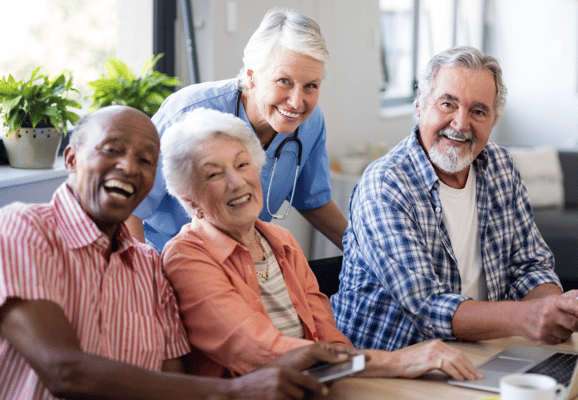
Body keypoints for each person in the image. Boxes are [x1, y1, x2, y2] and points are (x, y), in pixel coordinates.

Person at [0, 105, 360, 400]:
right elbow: (65, 372)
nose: (129, 167)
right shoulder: (24, 228)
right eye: (112, 150)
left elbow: (176, 381)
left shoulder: (147, 266)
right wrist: (234, 392)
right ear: (71, 159)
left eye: (145, 161)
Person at [158, 107, 481, 381]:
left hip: (315, 385)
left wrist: (361, 366)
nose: (236, 182)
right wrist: (393, 361)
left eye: (243, 165)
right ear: (190, 201)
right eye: (214, 175)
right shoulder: (187, 257)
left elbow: (329, 337)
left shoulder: (280, 240)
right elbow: (257, 350)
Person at [330, 46, 578, 351]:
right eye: (447, 104)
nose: (460, 123)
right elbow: (427, 306)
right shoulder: (385, 185)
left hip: (476, 351)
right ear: (420, 106)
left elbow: (530, 266)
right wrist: (527, 316)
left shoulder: (500, 167)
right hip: (390, 364)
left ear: (493, 119)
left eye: (478, 111)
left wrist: (556, 310)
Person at [127, 8, 347, 252]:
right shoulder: (185, 114)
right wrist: (144, 279)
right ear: (252, 77)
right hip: (168, 260)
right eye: (284, 81)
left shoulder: (310, 123)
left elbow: (313, 200)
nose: (297, 102)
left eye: (310, 86)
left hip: (241, 262)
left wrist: (364, 252)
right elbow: (130, 207)